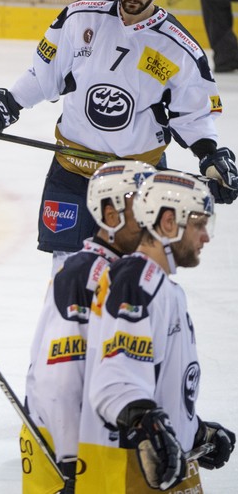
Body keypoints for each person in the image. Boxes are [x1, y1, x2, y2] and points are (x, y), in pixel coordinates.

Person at [0, 0, 238, 274]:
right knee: (66, 278)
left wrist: (211, 156)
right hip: (71, 171)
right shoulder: (80, 17)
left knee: (129, 280)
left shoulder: (179, 48)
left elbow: (194, 116)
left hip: (136, 182)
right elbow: (43, 77)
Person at [75, 170, 235, 493]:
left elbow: (157, 383)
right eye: (199, 225)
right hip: (139, 470)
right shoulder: (137, 280)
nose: (206, 237)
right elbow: (115, 382)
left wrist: (194, 430)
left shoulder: (161, 286)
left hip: (169, 462)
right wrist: (150, 426)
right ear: (167, 223)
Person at [22, 160, 155, 494]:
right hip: (73, 452)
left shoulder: (123, 271)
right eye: (142, 210)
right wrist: (69, 461)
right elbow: (59, 379)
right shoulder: (84, 275)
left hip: (99, 443)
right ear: (111, 217)